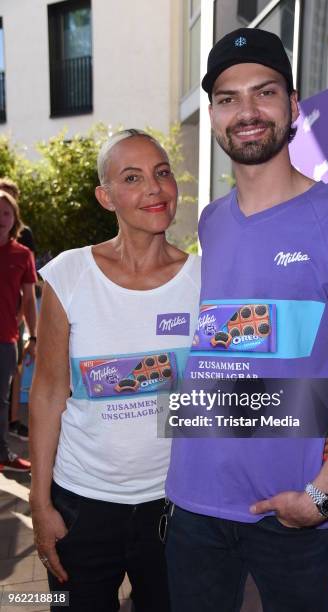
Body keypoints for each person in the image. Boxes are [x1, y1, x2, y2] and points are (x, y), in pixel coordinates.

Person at [165, 28, 328, 612]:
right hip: (193, 506)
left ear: (293, 105)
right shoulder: (211, 222)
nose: (245, 111)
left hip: (293, 513)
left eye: (263, 92)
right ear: (215, 116)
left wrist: (323, 496)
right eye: (227, 98)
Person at [29, 129, 200, 612]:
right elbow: (46, 395)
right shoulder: (68, 275)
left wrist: (317, 426)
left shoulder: (205, 282)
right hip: (81, 505)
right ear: (106, 197)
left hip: (174, 507)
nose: (155, 187)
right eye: (133, 177)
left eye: (162, 172)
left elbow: (221, 391)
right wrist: (41, 506)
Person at [0, 189, 35, 471]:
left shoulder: (23, 255)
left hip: (5, 339)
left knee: (2, 400)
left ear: (14, 218)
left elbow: (28, 300)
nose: (1, 218)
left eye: (6, 212)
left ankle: (2, 454)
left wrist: (32, 336)